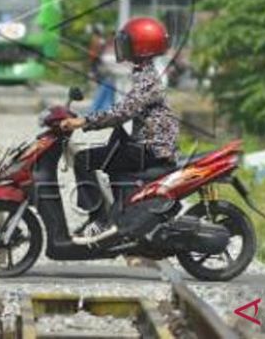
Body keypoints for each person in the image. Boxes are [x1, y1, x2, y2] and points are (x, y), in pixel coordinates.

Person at [60, 17, 179, 243]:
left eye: (128, 43)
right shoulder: (144, 73)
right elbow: (123, 111)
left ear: (142, 47)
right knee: (113, 146)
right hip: (148, 144)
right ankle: (116, 216)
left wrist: (83, 122)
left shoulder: (148, 79)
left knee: (84, 160)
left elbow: (123, 112)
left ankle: (100, 219)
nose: (122, 47)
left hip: (152, 149)